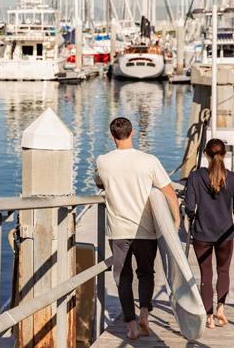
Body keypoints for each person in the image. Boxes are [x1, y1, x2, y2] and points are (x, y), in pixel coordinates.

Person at [95, 117, 180, 340]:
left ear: (112, 136)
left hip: (118, 230)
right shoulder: (149, 160)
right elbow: (169, 193)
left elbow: (99, 183)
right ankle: (144, 313)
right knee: (145, 274)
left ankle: (131, 326)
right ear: (132, 133)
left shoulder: (103, 161)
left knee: (123, 278)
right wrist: (177, 221)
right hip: (146, 231)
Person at [184, 138, 234, 329]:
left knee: (205, 275)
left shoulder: (195, 177)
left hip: (202, 234)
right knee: (223, 271)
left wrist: (192, 218)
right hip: (225, 234)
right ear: (225, 155)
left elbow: (188, 206)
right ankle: (220, 308)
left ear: (205, 154)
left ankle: (209, 317)